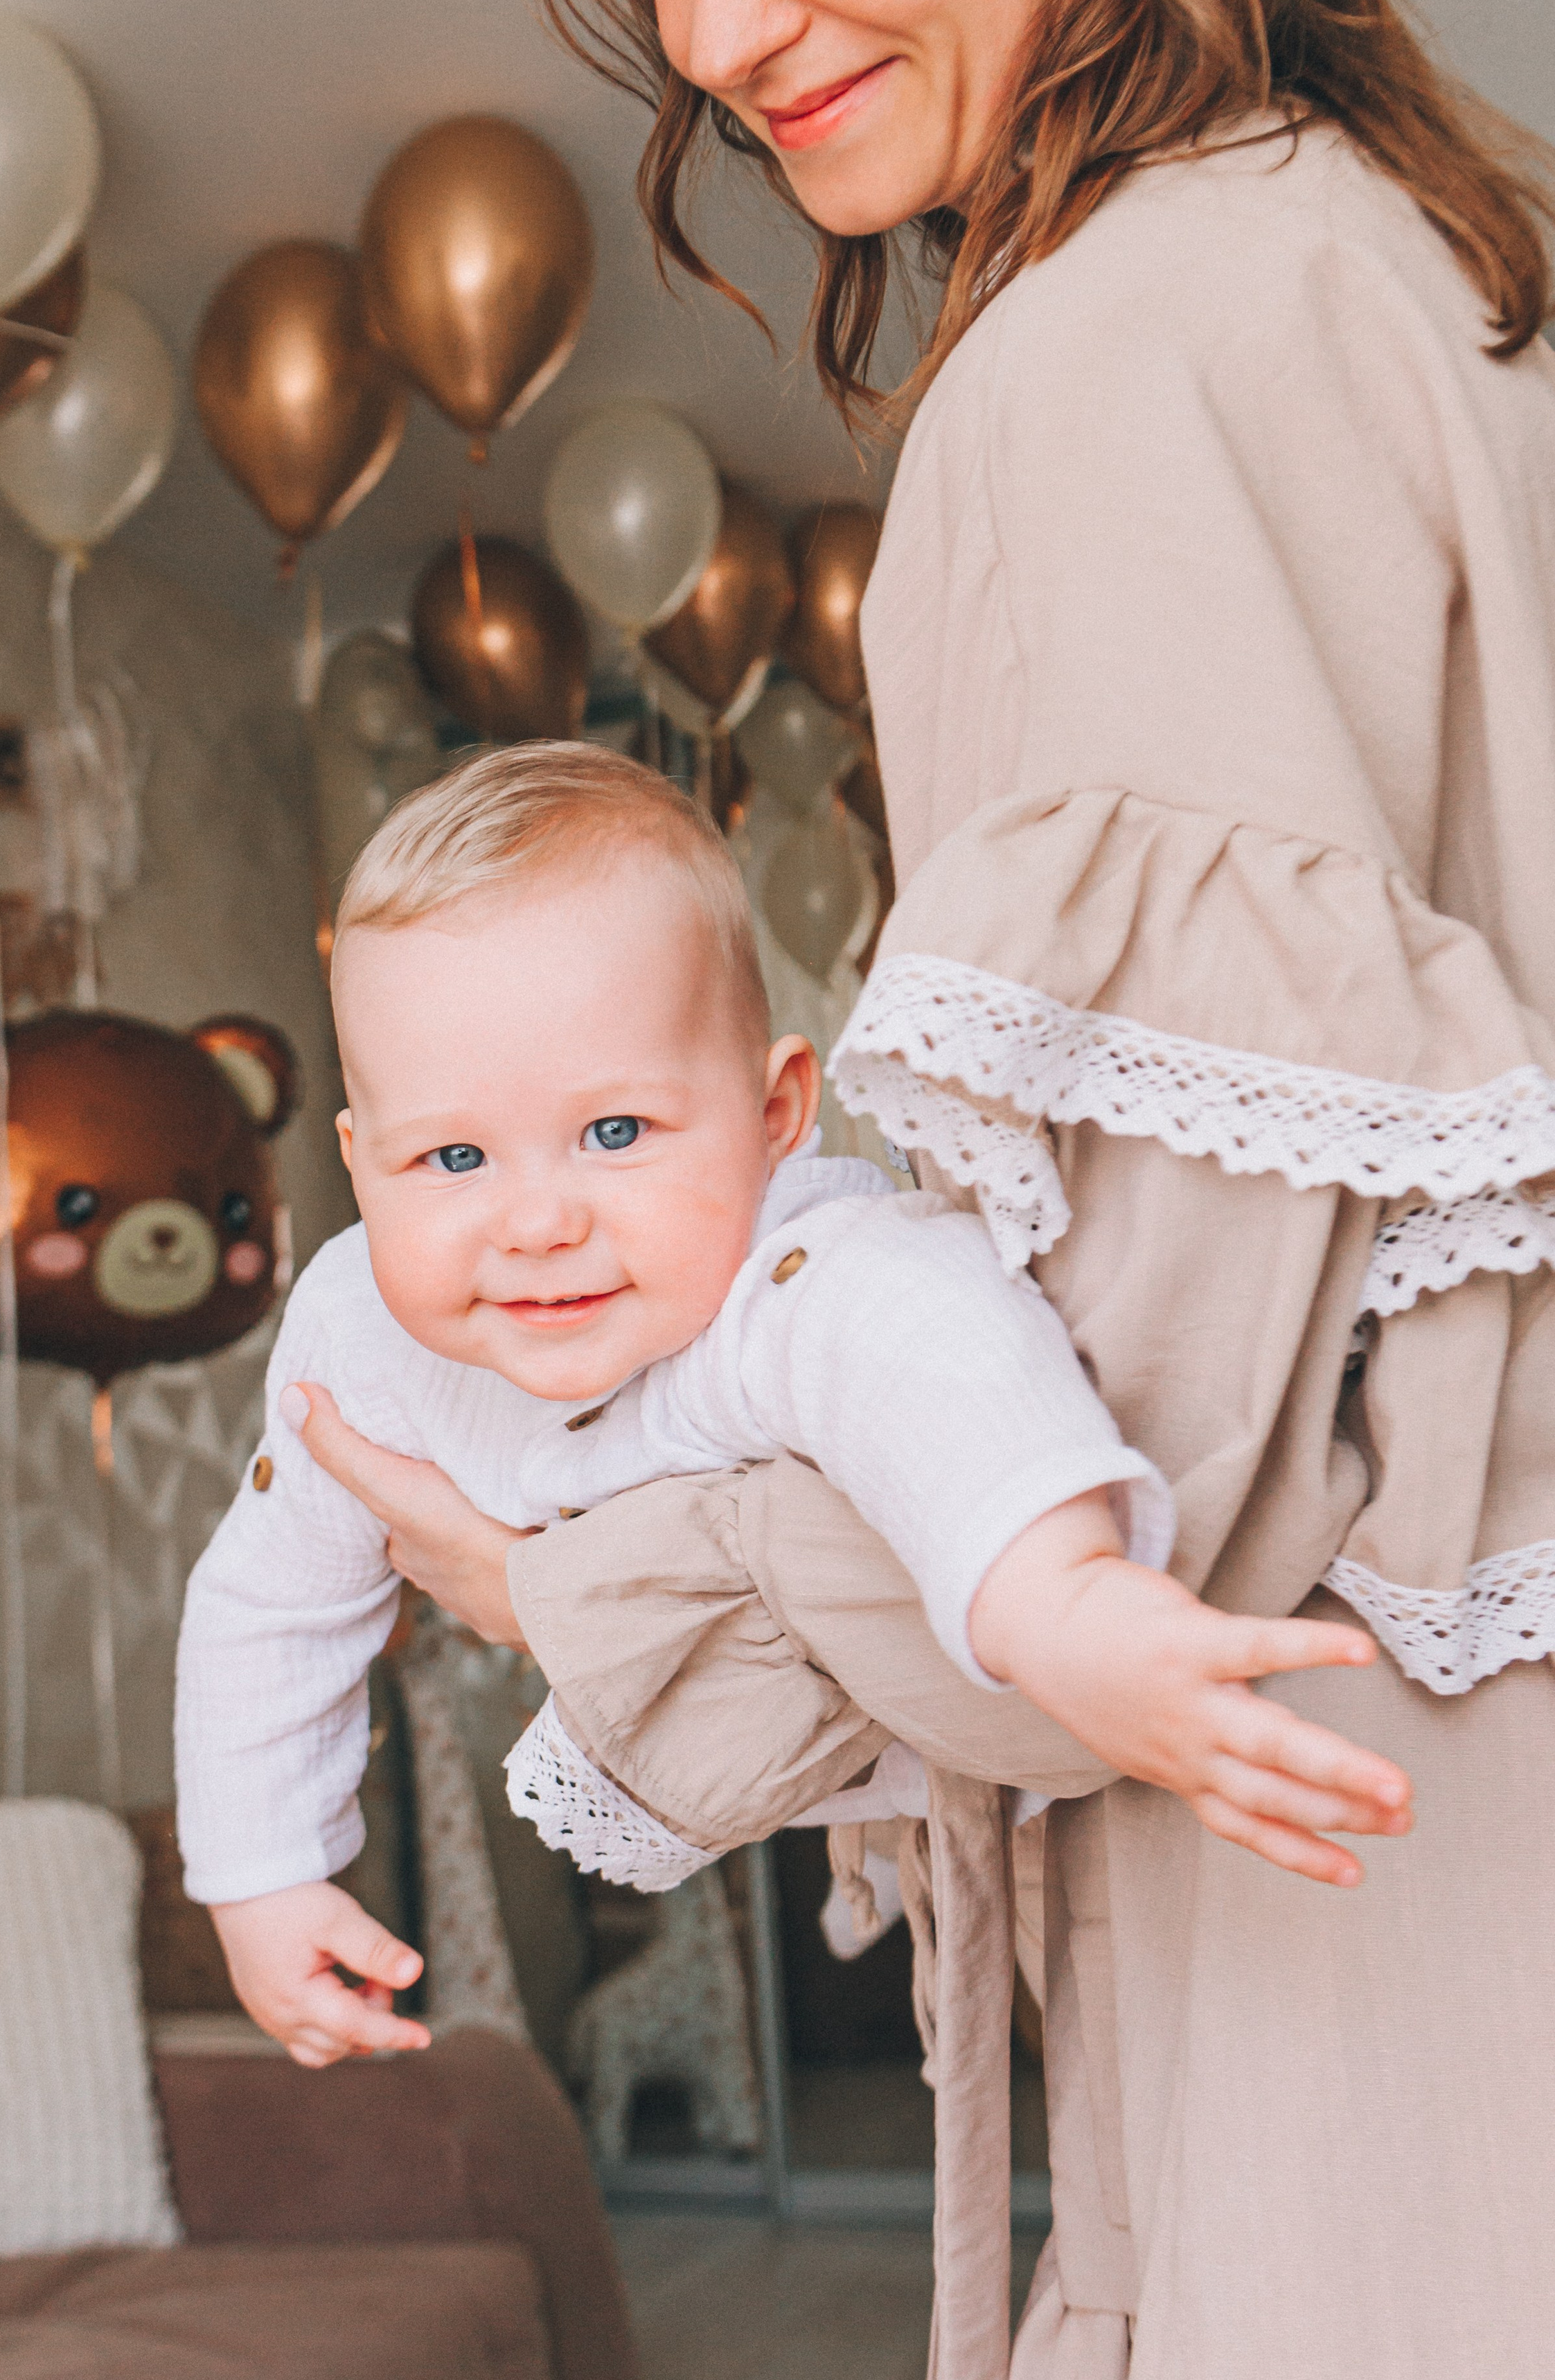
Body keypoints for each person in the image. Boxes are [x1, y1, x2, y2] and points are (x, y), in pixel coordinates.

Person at [283, 0, 1555, 2380]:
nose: (721, 27)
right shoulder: (1431, 282)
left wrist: (575, 1580)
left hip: (1387, 1945)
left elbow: (1143, 1516)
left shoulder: (1113, 360)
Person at [176, 742, 1412, 2064]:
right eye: (454, 1155)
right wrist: (259, 1874)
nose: (537, 1221)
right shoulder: (359, 1333)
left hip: (920, 1722)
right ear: (361, 1167)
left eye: (616, 1133)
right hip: (710, 1720)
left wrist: (1067, 1607)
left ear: (776, 1115)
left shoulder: (805, 1271)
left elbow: (945, 1382)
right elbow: (272, 1596)